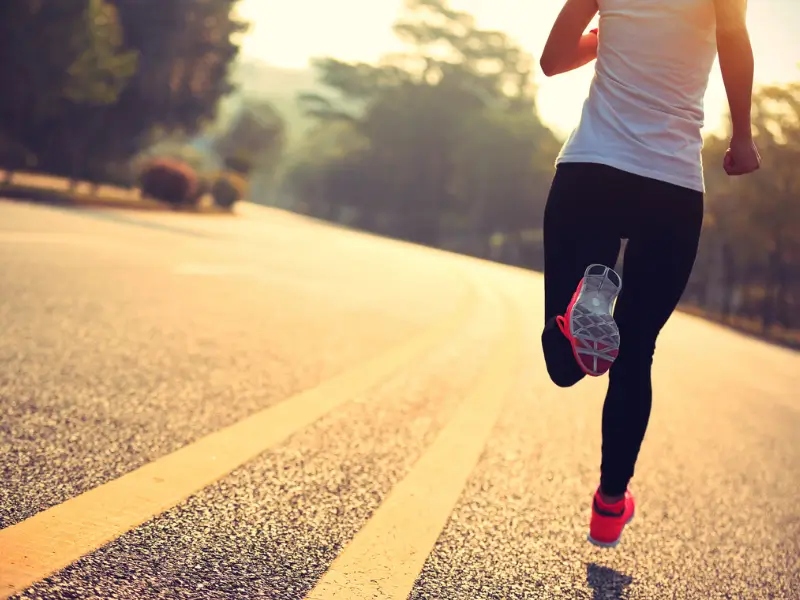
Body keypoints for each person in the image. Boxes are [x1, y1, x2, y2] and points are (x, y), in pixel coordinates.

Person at [538, 0, 761, 548]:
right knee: (636, 353)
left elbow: (552, 60)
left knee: (566, 366)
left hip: (591, 171)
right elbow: (733, 39)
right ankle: (610, 505)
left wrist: (603, 39)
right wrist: (743, 136)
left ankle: (579, 311)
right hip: (672, 186)